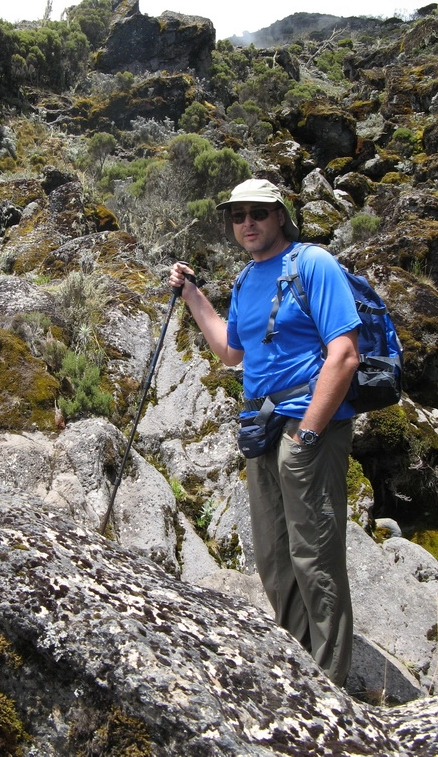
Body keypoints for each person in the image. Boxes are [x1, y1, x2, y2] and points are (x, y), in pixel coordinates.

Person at [169, 177, 360, 686]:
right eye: (238, 215)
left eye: (258, 212)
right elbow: (232, 352)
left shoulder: (313, 263)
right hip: (261, 425)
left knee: (315, 555)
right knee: (275, 558)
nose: (247, 222)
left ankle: (332, 689)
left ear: (280, 216)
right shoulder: (246, 280)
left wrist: (309, 436)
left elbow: (343, 354)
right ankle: (303, 669)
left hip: (306, 422)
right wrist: (191, 294)